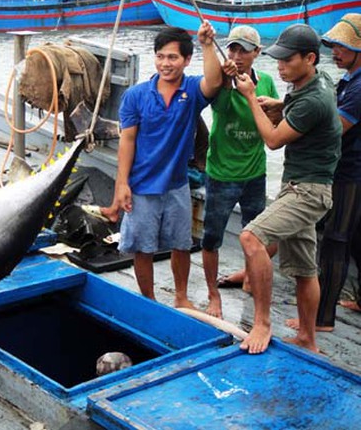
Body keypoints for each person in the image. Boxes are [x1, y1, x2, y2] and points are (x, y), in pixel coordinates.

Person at [234, 24, 341, 354]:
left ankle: (261, 323)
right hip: (307, 185)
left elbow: (273, 140)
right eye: (277, 59)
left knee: (251, 238)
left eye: (286, 60)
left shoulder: (315, 99)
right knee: (305, 270)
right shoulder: (317, 80)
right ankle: (308, 338)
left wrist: (251, 96)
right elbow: (303, 108)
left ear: (309, 58)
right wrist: (281, 106)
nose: (279, 66)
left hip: (306, 192)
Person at [112, 22, 224, 308]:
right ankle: (148, 299)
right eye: (160, 56)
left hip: (177, 184)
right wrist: (122, 183)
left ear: (186, 60)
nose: (165, 63)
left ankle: (181, 296)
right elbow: (127, 141)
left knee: (181, 243)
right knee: (142, 247)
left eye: (172, 57)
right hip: (141, 185)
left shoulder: (191, 90)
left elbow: (213, 82)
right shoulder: (135, 96)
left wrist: (207, 45)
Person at [286, 13, 361, 331]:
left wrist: (291, 122)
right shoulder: (348, 81)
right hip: (348, 168)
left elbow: (333, 129)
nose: (335, 51)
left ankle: (323, 318)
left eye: (343, 46)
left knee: (335, 240)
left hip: (351, 174)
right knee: (357, 241)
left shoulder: (358, 89)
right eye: (333, 45)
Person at [201, 26, 279, 318]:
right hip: (221, 174)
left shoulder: (268, 82)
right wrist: (225, 79)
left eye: (244, 50)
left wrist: (254, 95)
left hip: (255, 174)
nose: (236, 55)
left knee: (258, 237)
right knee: (211, 238)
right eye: (232, 49)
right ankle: (213, 295)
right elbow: (218, 105)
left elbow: (272, 122)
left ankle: (248, 275)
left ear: (257, 53)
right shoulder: (222, 82)